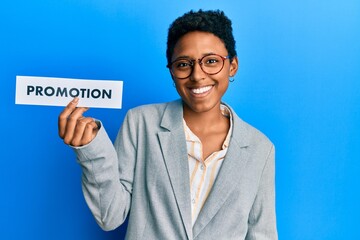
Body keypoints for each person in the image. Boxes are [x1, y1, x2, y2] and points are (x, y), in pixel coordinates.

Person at [58, 9, 278, 240]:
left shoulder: (259, 148)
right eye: (184, 64)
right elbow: (110, 215)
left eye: (211, 61)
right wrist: (92, 151)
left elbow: (262, 233)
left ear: (232, 65)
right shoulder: (141, 123)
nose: (197, 75)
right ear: (172, 72)